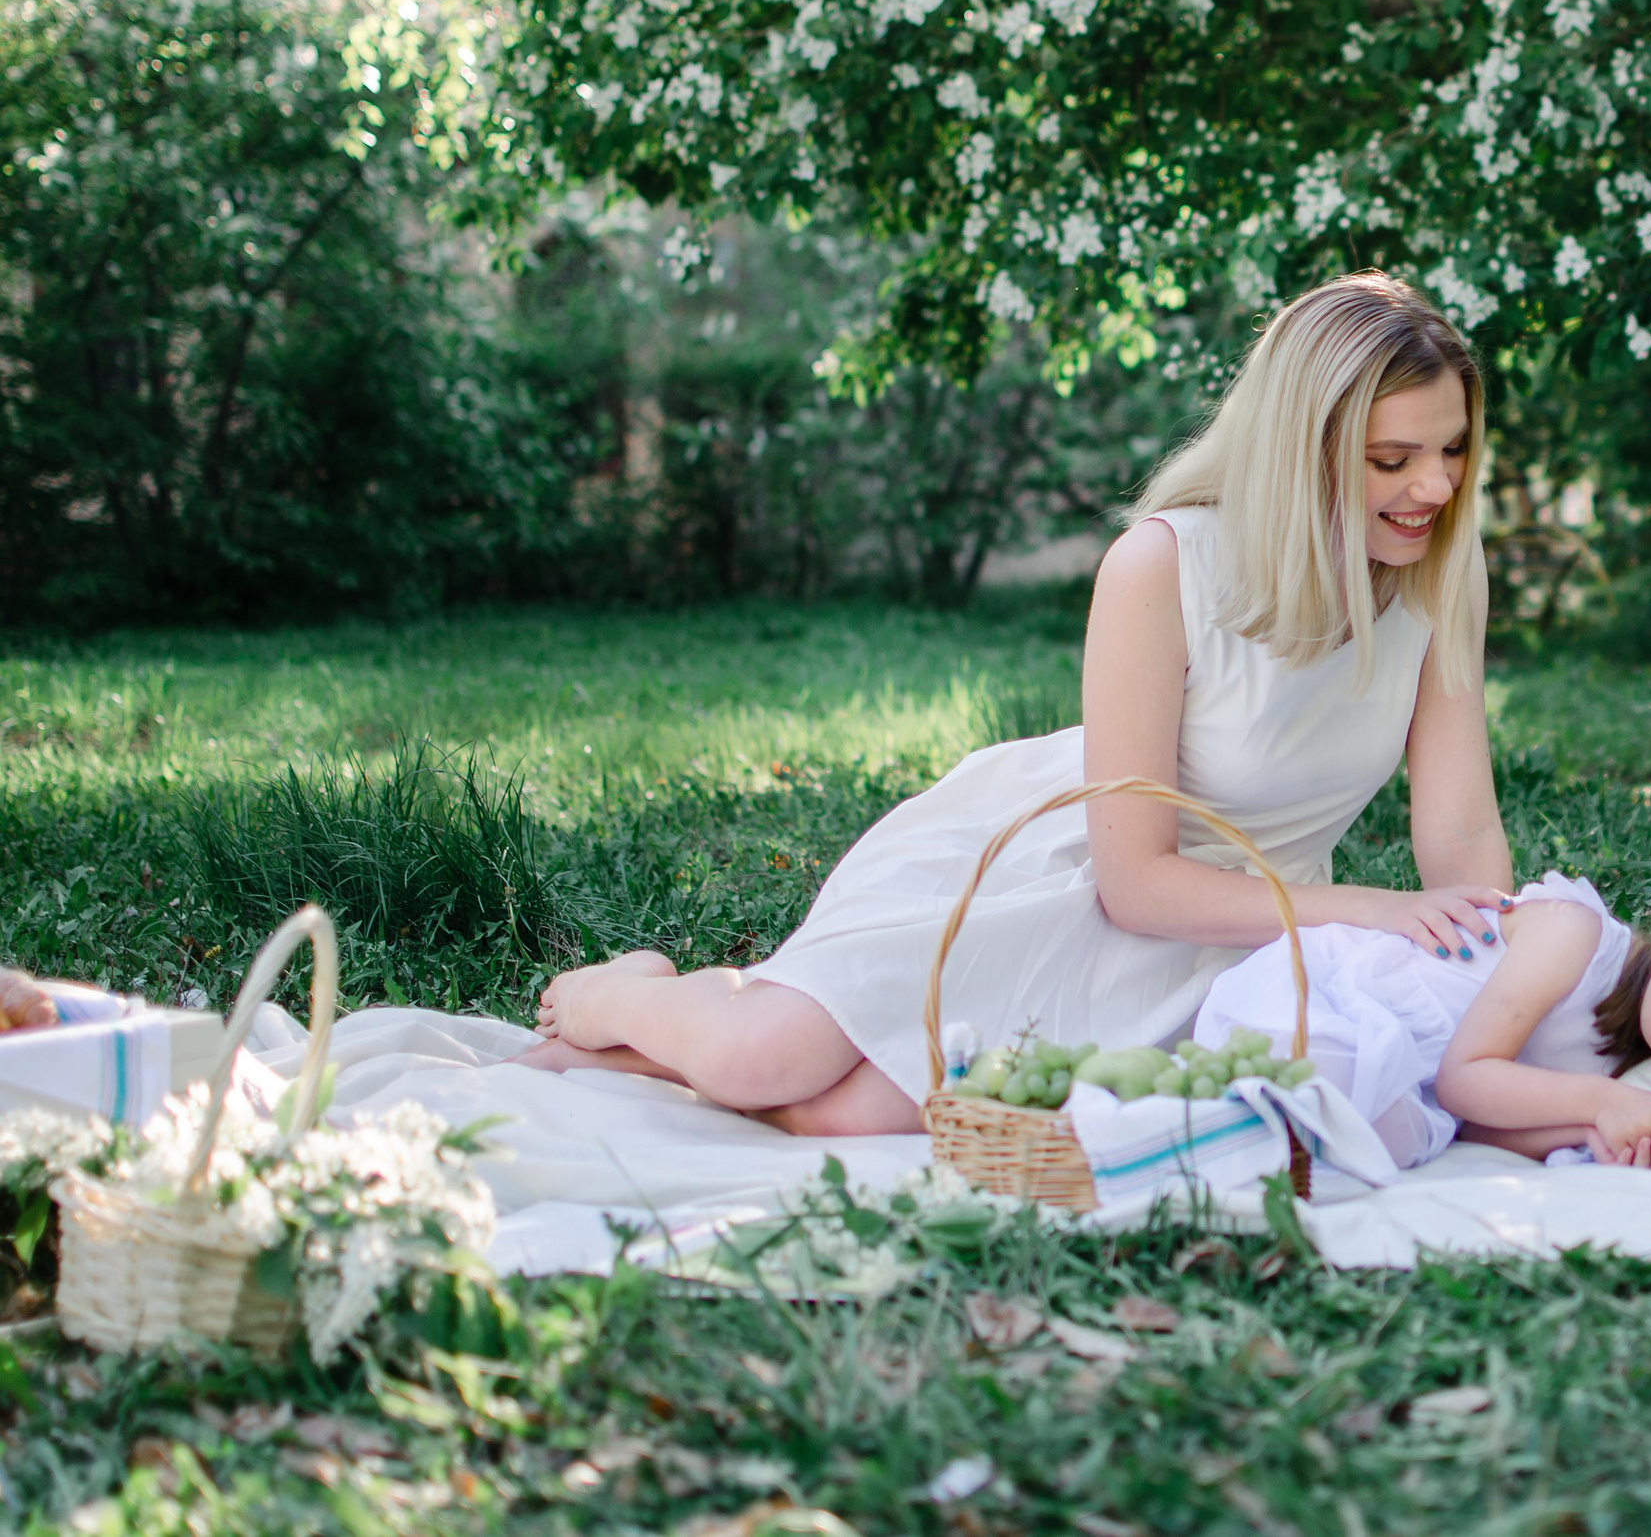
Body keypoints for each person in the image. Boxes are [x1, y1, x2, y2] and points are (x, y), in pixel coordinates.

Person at [520, 272, 1517, 1133]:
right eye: (1392, 460)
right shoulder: (1165, 564)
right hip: (1057, 868)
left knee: (843, 1116)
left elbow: (1464, 838)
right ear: (1305, 447)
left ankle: (636, 1056)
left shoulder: (1436, 582)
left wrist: (1504, 999)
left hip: (1239, 933)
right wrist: (1374, 914)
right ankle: (624, 992)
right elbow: (1134, 882)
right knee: (760, 1064)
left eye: (1452, 449)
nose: (1433, 486)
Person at [1192, 875, 1651, 1169]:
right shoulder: (1572, 933)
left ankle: (1220, 1131)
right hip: (1325, 997)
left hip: (1410, 1080)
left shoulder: (1633, 1065)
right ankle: (1189, 1119)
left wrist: (1591, 1128)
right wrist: (1604, 1103)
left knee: (1386, 1141)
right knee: (1334, 1083)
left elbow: (1474, 1123)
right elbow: (1465, 1080)